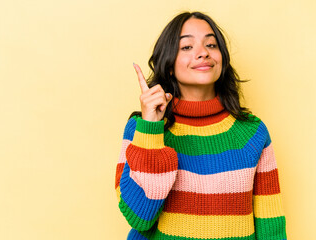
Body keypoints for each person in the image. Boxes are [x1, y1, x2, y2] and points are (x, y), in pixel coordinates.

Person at [115, 11, 287, 240]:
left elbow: (271, 224)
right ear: (168, 64)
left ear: (222, 59)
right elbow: (139, 217)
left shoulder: (252, 132)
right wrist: (151, 130)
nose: (203, 53)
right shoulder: (142, 128)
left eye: (211, 44)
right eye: (186, 47)